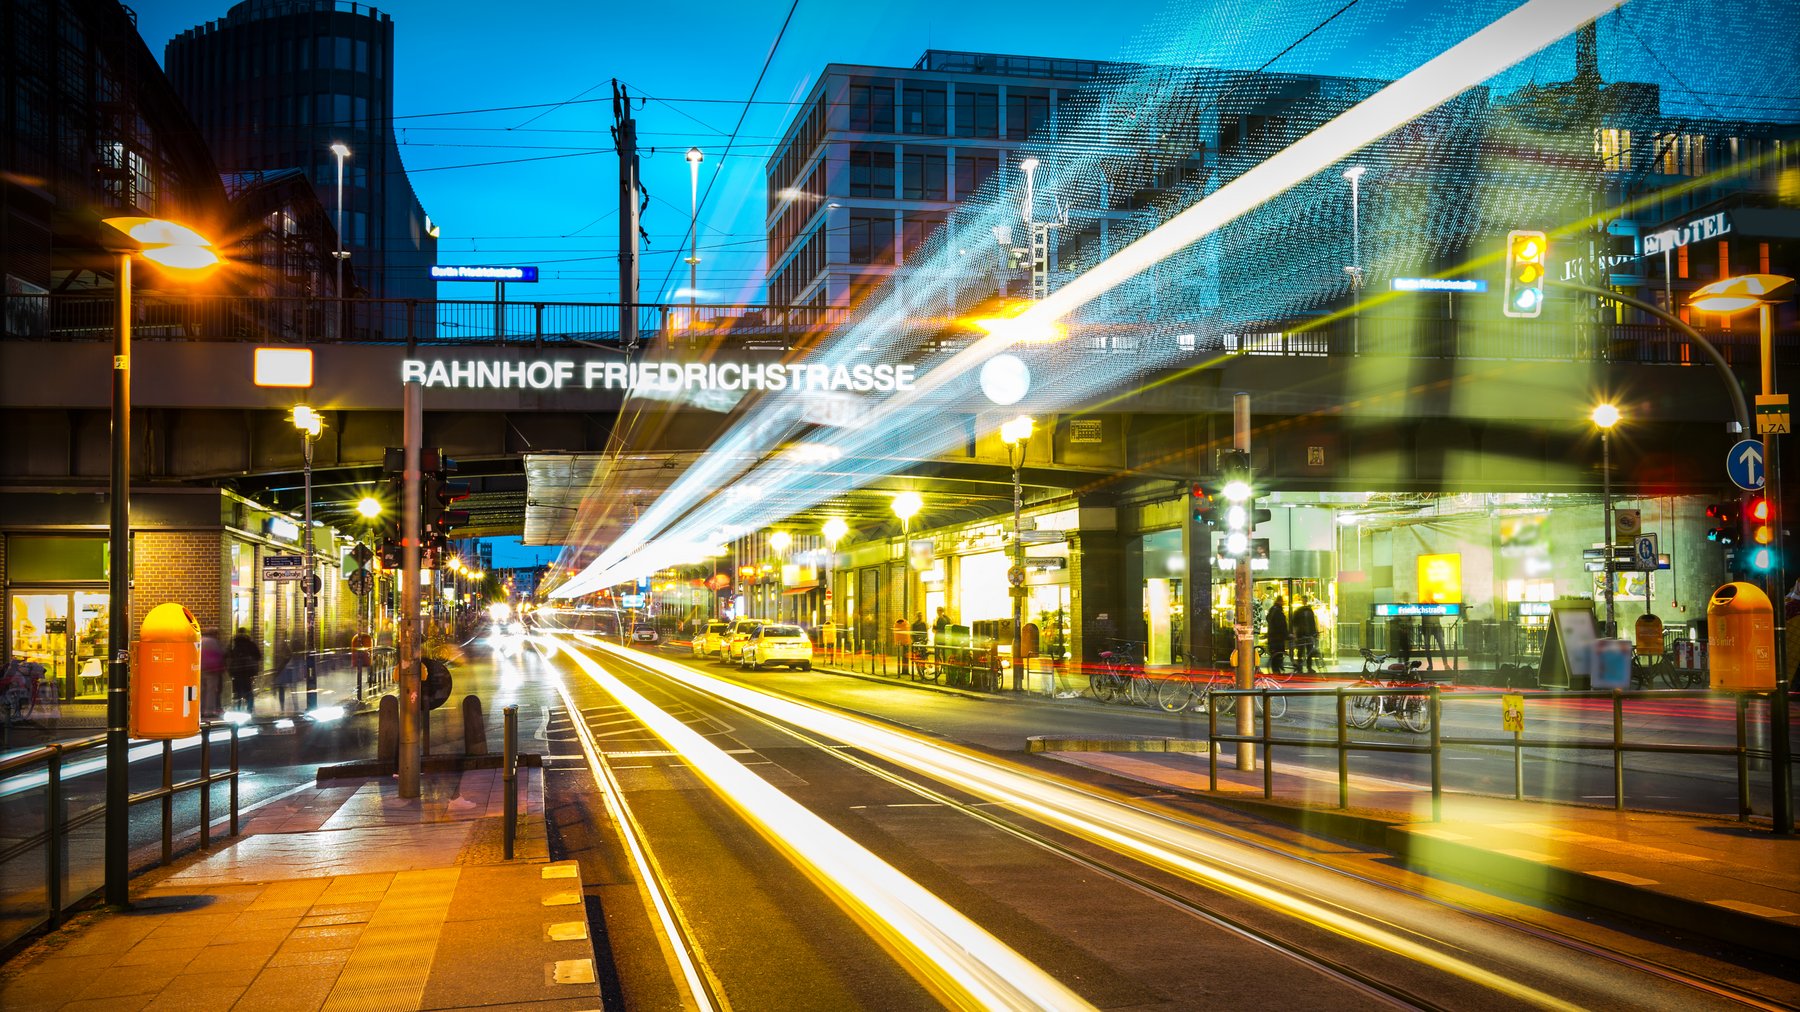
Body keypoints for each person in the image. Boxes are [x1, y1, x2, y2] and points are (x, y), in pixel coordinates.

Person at [226, 627, 261, 713]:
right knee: (248, 690)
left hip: (237, 671)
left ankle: (238, 708)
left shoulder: (235, 643)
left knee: (238, 691)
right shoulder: (250, 643)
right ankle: (249, 708)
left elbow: (230, 655)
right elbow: (258, 656)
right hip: (248, 671)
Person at [199, 629, 225, 718]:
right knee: (211, 690)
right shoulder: (214, 642)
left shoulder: (200, 640)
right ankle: (209, 710)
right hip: (212, 670)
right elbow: (220, 655)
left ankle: (200, 710)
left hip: (200, 669)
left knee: (202, 690)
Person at [1291, 597, 1319, 675]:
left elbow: (1313, 622)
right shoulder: (1302, 611)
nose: (1304, 601)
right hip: (1303, 634)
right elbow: (1295, 623)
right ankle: (1303, 667)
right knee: (1302, 651)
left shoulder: (1306, 611)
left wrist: (1314, 632)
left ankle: (1307, 667)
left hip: (1306, 634)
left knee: (1307, 651)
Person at [1264, 595, 1288, 674]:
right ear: (1280, 601)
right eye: (1282, 602)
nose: (1283, 603)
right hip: (1278, 637)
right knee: (1278, 654)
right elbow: (1281, 625)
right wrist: (1286, 635)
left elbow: (1268, 619)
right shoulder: (1278, 612)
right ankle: (1277, 672)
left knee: (1275, 654)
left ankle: (1276, 670)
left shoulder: (1273, 610)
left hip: (1273, 637)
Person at [911, 613, 929, 679]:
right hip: (916, 641)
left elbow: (926, 632)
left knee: (924, 654)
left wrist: (926, 639)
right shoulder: (914, 625)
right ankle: (919, 668)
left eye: (921, 616)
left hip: (923, 641)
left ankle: (923, 666)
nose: (920, 617)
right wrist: (913, 641)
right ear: (916, 616)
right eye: (919, 616)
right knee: (917, 655)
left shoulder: (923, 624)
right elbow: (912, 634)